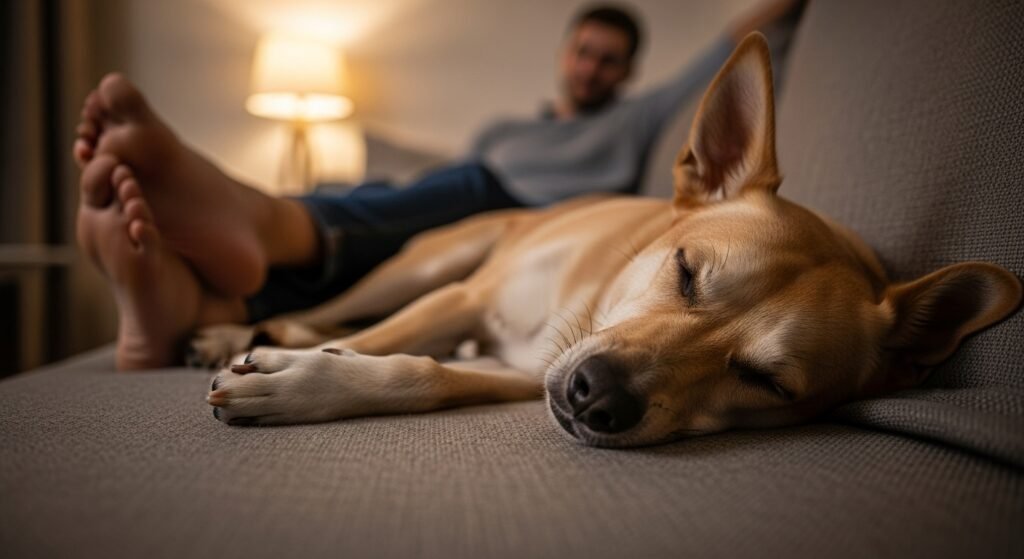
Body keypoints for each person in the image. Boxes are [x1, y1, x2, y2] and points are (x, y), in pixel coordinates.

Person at [73, 1, 803, 370]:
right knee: (416, 218)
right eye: (585, 53)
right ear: (564, 53)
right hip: (464, 203)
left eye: (610, 61)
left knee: (456, 190)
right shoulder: (502, 128)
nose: (593, 69)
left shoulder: (638, 118)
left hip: (534, 227)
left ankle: (258, 222)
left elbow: (733, 41)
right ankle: (205, 302)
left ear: (628, 75)